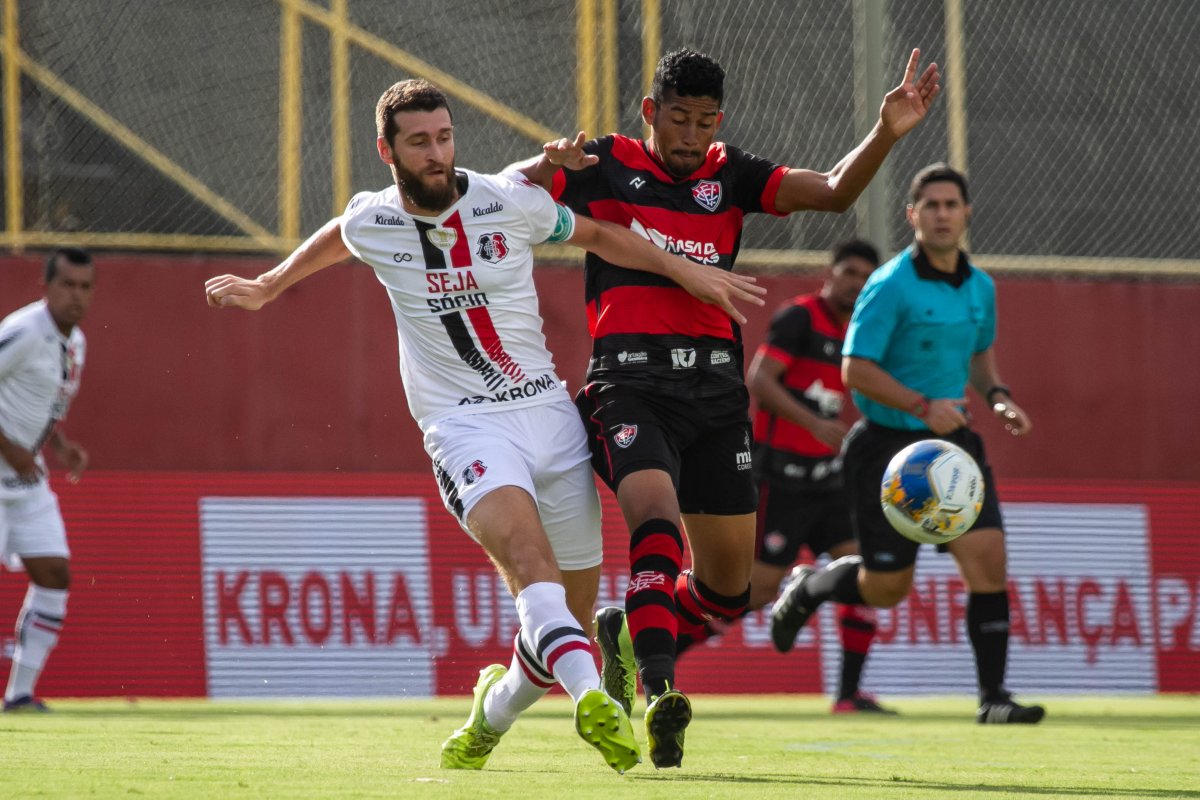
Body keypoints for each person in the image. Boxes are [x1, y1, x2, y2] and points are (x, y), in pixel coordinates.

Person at [204, 79, 764, 773]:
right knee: (533, 572)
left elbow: (599, 235)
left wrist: (687, 272)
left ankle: (490, 715)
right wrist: (269, 284)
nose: (436, 154)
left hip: (549, 418)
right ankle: (594, 701)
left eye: (444, 138)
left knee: (565, 617)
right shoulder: (374, 219)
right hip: (465, 427)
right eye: (419, 142)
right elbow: (338, 236)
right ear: (387, 151)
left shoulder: (507, 201)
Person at [512, 47, 939, 767]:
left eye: (704, 121)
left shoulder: (730, 174)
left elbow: (835, 191)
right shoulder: (604, 162)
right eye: (678, 118)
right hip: (629, 385)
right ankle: (660, 691)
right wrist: (540, 165)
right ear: (650, 112)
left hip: (715, 395)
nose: (690, 135)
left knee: (727, 592)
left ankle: (624, 633)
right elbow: (503, 197)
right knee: (655, 520)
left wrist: (886, 131)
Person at [770, 163, 1045, 724]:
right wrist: (922, 406)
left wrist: (996, 396)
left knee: (988, 563)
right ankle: (811, 586)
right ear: (913, 215)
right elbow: (854, 369)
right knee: (887, 589)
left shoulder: (981, 286)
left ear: (967, 214)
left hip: (954, 447)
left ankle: (993, 699)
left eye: (952, 205)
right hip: (886, 450)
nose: (942, 215)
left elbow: (979, 353)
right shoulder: (890, 283)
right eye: (932, 206)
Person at [740, 239, 895, 714]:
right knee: (755, 590)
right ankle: (653, 655)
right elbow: (759, 380)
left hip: (830, 480)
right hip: (780, 477)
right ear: (831, 273)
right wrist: (815, 424)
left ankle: (848, 695)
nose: (855, 283)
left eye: (865, 277)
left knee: (867, 572)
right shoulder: (800, 317)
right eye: (849, 272)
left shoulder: (861, 333)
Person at [0, 247, 94, 713]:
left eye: (85, 287)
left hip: (26, 477)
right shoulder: (23, 331)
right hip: (7, 465)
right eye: (67, 285)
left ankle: (19, 695)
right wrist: (10, 447)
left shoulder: (75, 343)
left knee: (55, 573)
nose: (76, 295)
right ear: (47, 286)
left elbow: (40, 403)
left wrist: (60, 446)